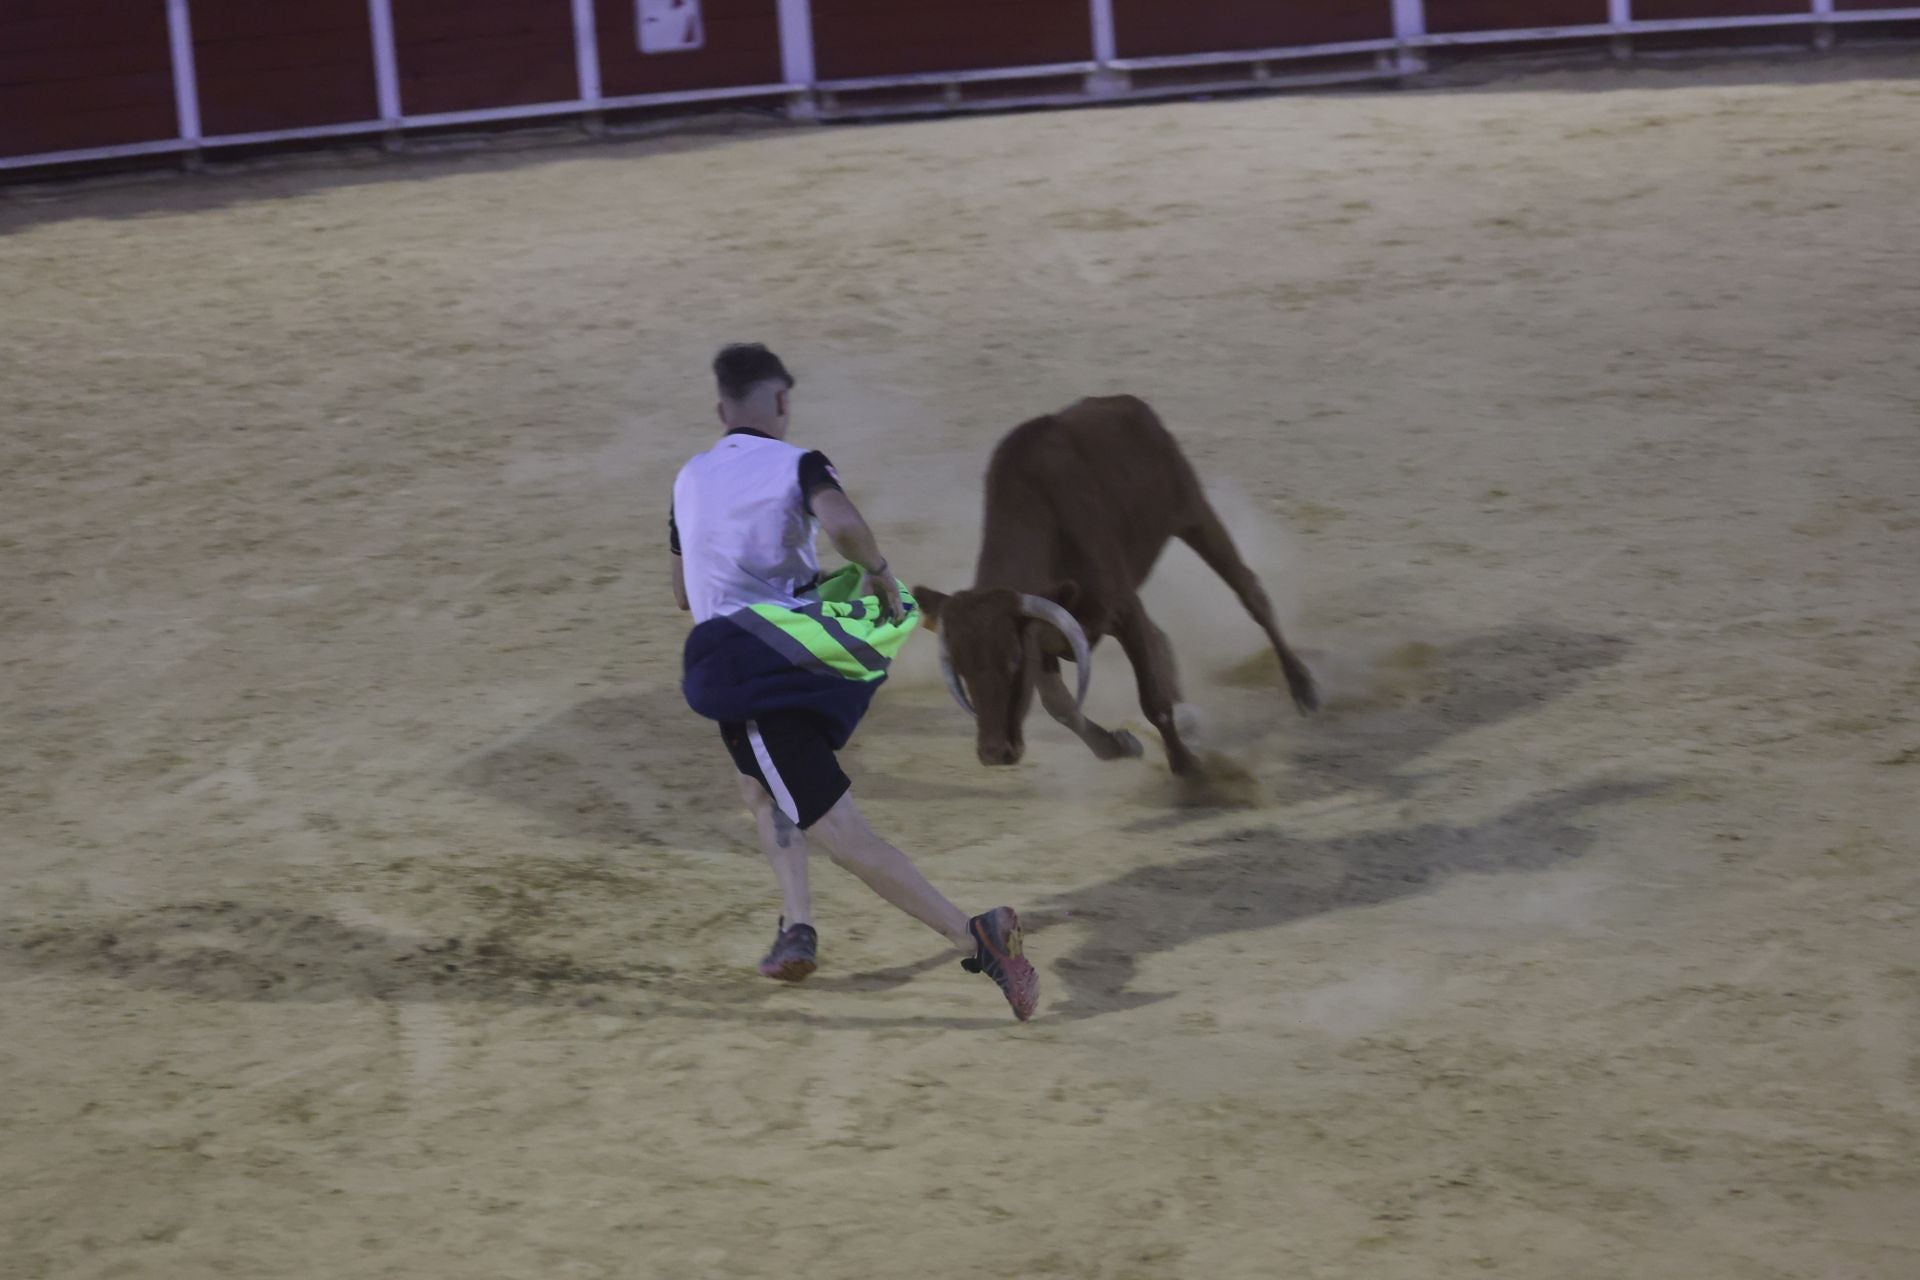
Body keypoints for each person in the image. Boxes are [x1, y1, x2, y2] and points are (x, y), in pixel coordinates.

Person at [670, 344, 1038, 1021]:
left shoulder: (687, 480)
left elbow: (681, 592)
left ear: (721, 408)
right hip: (802, 657)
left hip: (748, 666)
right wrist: (875, 568)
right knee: (759, 786)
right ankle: (796, 926)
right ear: (781, 400)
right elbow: (843, 525)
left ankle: (976, 937)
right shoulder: (798, 462)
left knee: (839, 830)